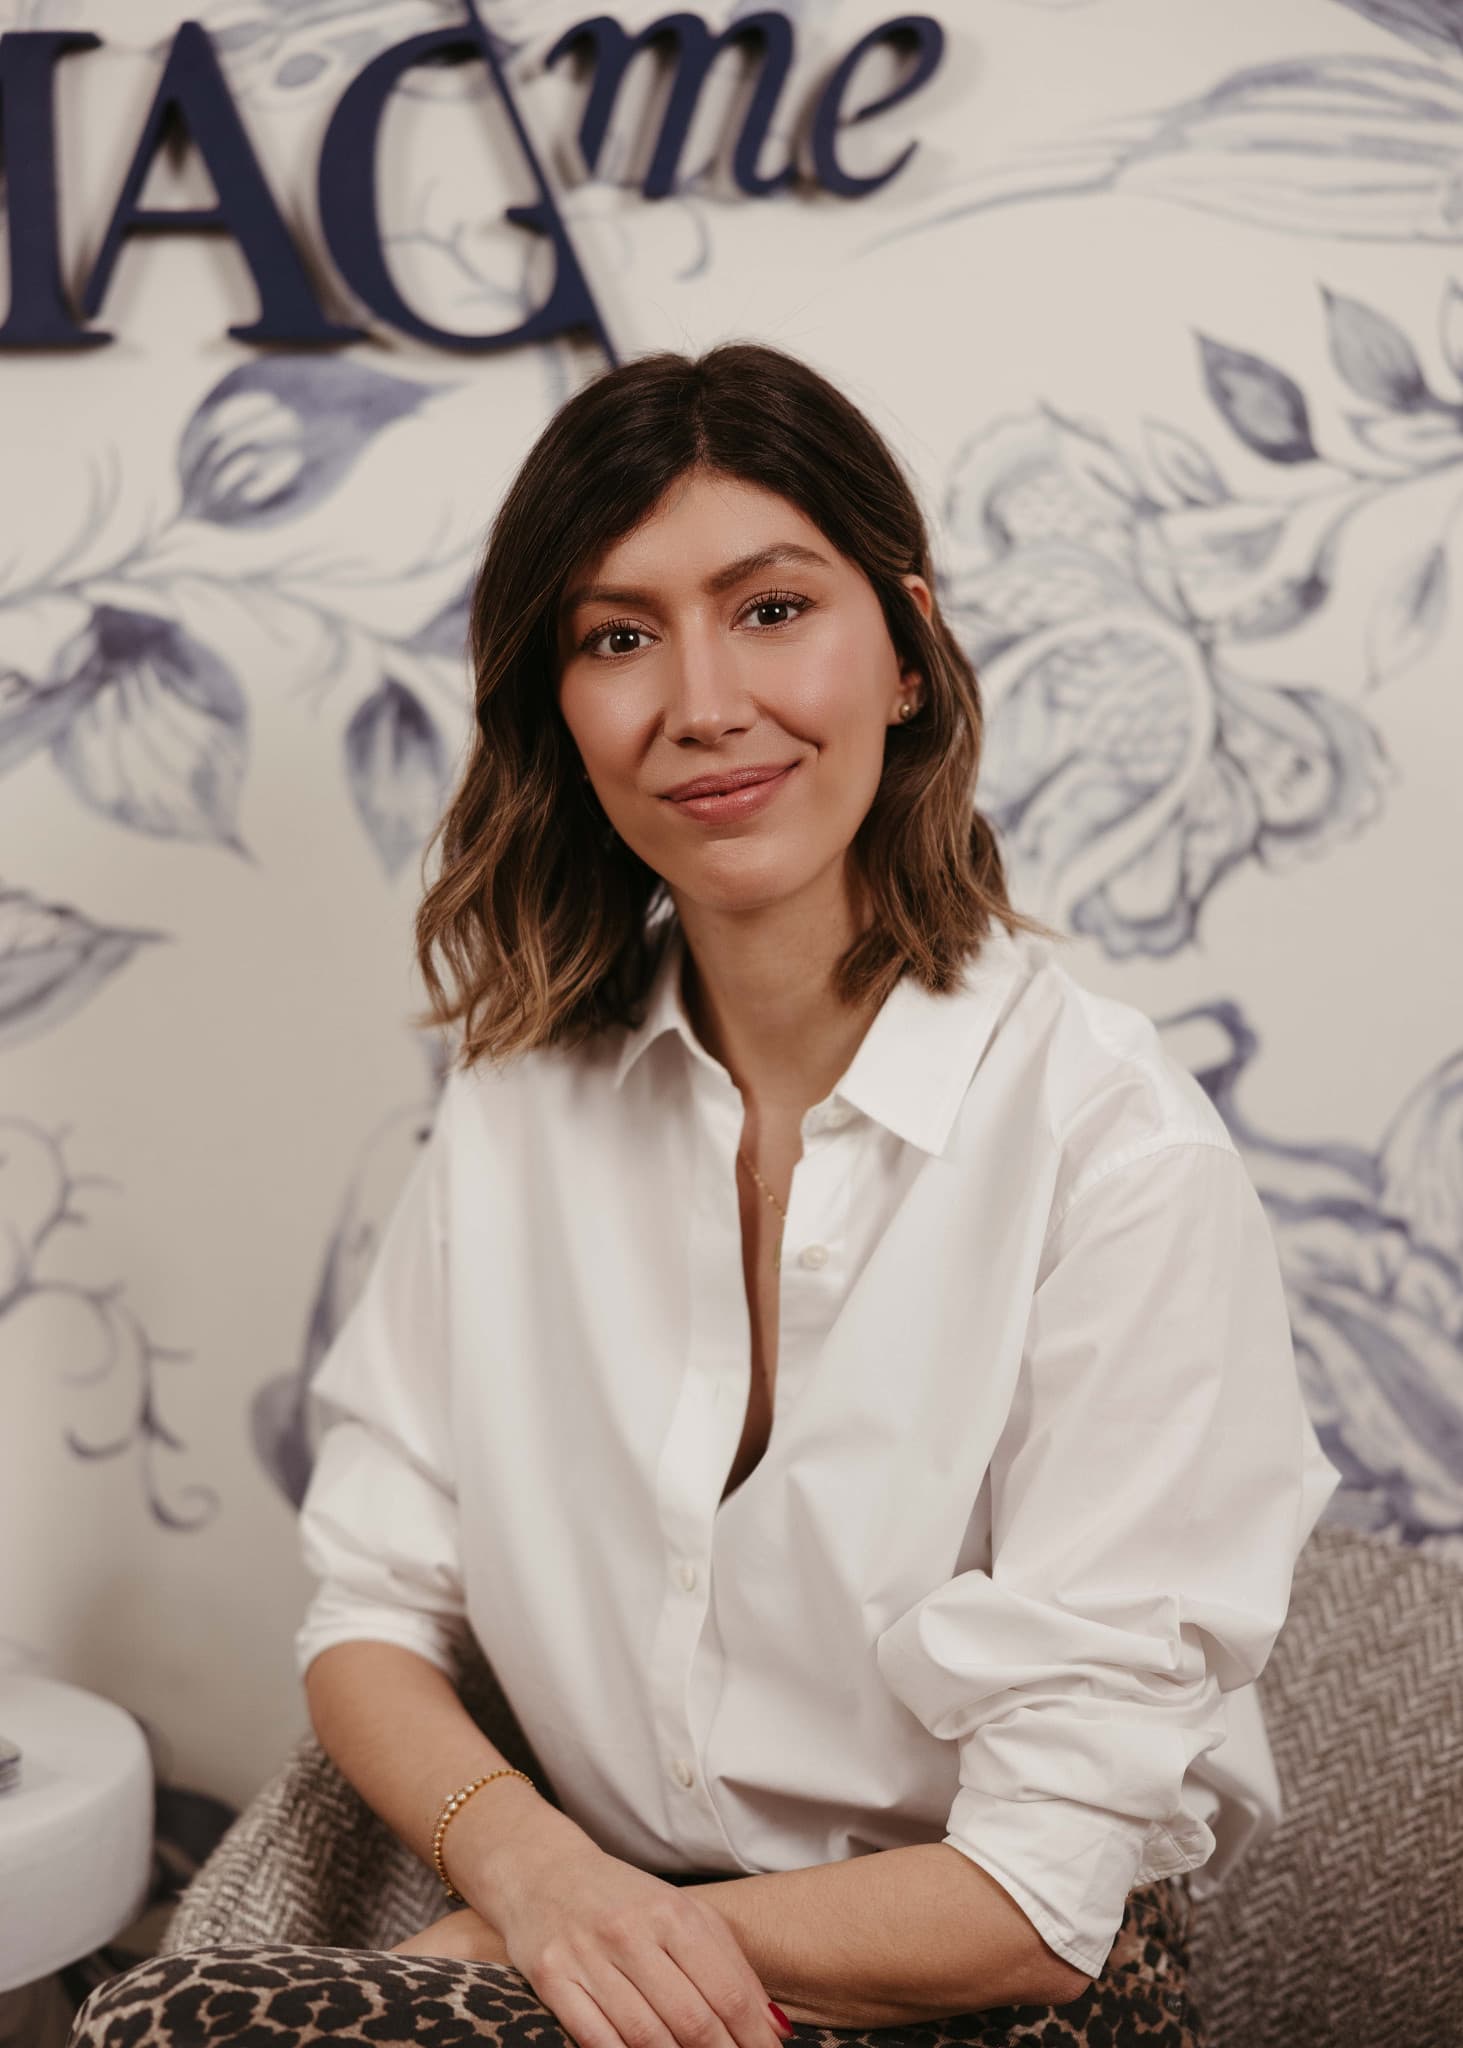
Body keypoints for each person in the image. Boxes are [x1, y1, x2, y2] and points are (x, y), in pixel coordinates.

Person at [68, 340, 1340, 2048]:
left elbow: (1036, 1901)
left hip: (964, 1980)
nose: (703, 703)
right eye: (618, 637)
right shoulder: (520, 1103)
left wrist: (515, 1947)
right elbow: (374, 1612)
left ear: (907, 651)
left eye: (772, 608)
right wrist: (532, 1874)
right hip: (598, 1927)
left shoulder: (1116, 1155)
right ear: (558, 706)